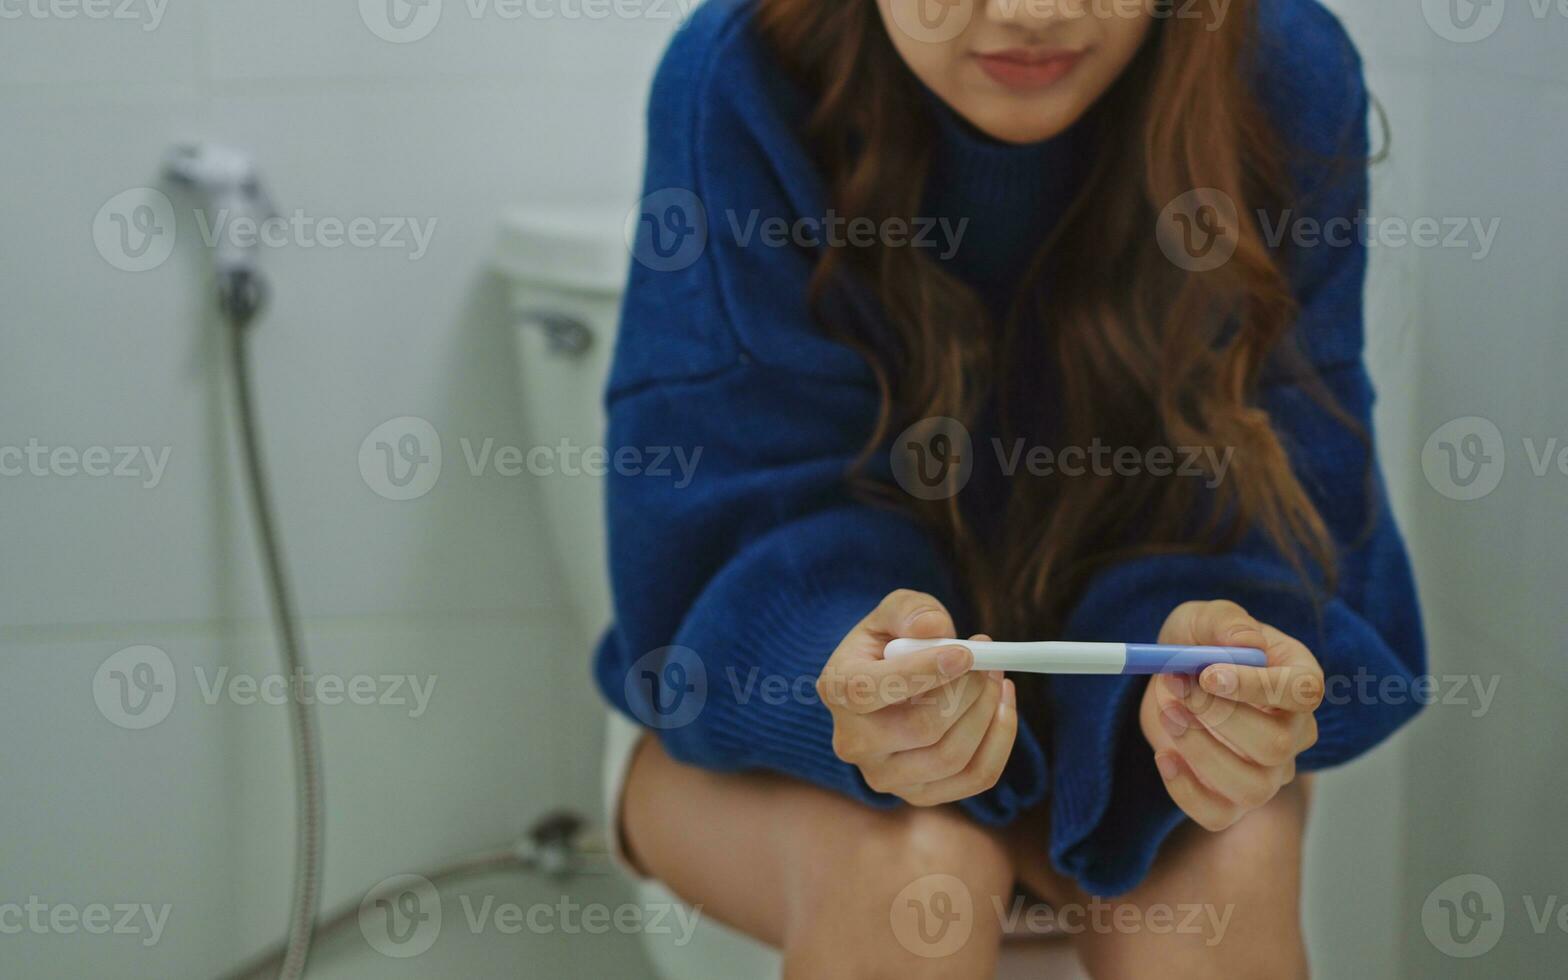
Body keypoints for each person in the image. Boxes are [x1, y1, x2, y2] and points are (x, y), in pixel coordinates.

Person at [594, 1, 1427, 975]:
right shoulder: (742, 73)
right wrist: (848, 674)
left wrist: (1205, 660)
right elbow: (703, 552)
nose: (1035, 13)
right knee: (917, 874)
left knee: (1224, 871)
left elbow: (1299, 504)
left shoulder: (1277, 67)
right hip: (789, 733)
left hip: (1127, 731)